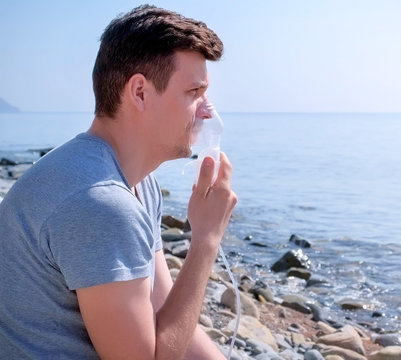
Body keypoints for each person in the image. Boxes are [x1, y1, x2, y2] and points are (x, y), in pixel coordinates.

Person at [0, 5, 237, 359]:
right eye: (194, 92)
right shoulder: (99, 202)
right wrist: (205, 239)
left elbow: (163, 313)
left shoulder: (136, 182)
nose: (208, 111)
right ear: (139, 92)